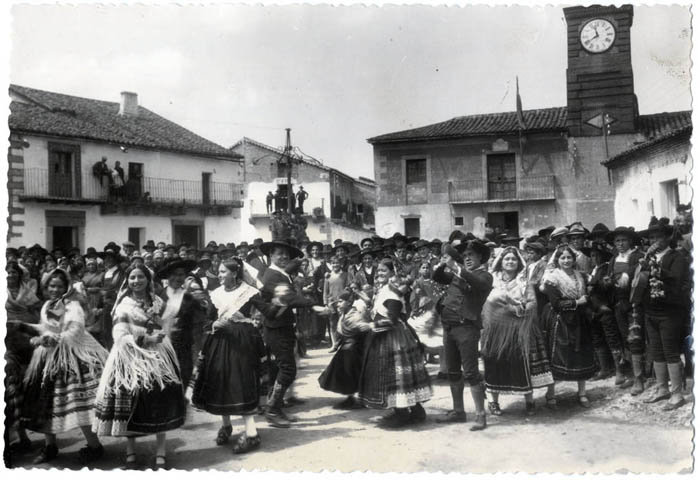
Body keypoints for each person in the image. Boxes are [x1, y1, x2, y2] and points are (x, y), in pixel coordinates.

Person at [93, 265, 186, 470]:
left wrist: (163, 329)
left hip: (158, 356)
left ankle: (160, 451)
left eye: (140, 277)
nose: (136, 281)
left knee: (160, 401)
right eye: (132, 277)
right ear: (127, 281)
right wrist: (146, 338)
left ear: (148, 279)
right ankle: (131, 451)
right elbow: (119, 335)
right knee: (131, 402)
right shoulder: (123, 305)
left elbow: (166, 323)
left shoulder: (157, 302)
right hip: (131, 357)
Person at [21, 269, 108, 465]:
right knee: (47, 404)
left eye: (60, 286)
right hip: (48, 358)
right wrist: (28, 330)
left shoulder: (72, 305)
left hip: (71, 358)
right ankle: (50, 446)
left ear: (66, 287)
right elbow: (45, 327)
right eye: (52, 285)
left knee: (79, 405)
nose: (55, 289)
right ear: (46, 287)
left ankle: (94, 446)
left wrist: (53, 339)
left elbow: (76, 330)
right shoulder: (46, 305)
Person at [192, 259, 266, 453]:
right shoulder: (215, 294)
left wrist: (250, 322)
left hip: (243, 344)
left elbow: (265, 313)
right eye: (219, 272)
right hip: (219, 343)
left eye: (223, 272)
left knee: (242, 384)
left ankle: (251, 433)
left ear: (235, 273)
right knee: (221, 382)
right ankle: (226, 425)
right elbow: (208, 320)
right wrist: (214, 325)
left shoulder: (249, 292)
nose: (219, 275)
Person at [356, 259, 432, 428]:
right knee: (400, 376)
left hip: (393, 337)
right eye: (378, 271)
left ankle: (403, 414)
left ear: (392, 272)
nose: (379, 274)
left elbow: (392, 319)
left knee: (396, 374)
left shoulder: (392, 292)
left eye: (384, 271)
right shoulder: (384, 290)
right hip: (388, 336)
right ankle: (415, 411)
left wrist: (370, 325)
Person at [481, 246, 553, 416]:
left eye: (513, 259)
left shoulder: (523, 282)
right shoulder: (492, 281)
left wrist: (518, 309)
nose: (510, 262)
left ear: (519, 262)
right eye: (507, 259)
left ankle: (529, 401)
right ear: (501, 262)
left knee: (522, 362)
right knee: (494, 362)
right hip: (495, 329)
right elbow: (484, 303)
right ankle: (493, 402)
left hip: (519, 328)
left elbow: (532, 303)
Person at [432, 240, 493, 430]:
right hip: (449, 327)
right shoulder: (458, 274)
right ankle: (458, 411)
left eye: (471, 256)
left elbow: (474, 281)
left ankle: (481, 415)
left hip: (467, 328)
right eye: (464, 257)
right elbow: (437, 277)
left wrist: (456, 267)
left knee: (472, 373)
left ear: (480, 257)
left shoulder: (485, 276)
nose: (467, 259)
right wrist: (445, 261)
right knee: (453, 371)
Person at [255, 240, 315, 428]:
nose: (283, 257)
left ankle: (276, 406)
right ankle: (272, 409)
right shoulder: (271, 275)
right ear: (270, 255)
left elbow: (290, 270)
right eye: (279, 253)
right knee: (288, 369)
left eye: (286, 255)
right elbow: (290, 298)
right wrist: (314, 305)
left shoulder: (281, 273)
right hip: (276, 328)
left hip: (284, 326)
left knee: (282, 368)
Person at [638, 217, 690, 410]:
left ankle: (677, 394)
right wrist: (645, 264)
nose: (654, 241)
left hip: (669, 311)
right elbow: (638, 282)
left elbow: (676, 280)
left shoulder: (677, 257)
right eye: (651, 238)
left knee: (670, 352)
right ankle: (662, 389)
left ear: (668, 238)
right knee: (656, 351)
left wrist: (656, 267)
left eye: (658, 237)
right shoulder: (648, 258)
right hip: (651, 310)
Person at [540, 245, 597, 408]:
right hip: (561, 320)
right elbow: (556, 303)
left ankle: (582, 393)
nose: (566, 261)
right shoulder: (552, 277)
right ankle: (550, 394)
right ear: (557, 260)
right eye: (562, 258)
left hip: (579, 319)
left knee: (581, 354)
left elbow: (589, 293)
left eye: (569, 257)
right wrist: (577, 302)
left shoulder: (580, 276)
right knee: (558, 355)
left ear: (574, 259)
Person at [4, 262, 42, 465]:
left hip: (27, 342)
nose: (10, 275)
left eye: (14, 272)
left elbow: (38, 313)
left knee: (29, 388)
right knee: (12, 388)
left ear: (20, 275)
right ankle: (14, 438)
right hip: (7, 344)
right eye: (8, 272)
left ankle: (24, 435)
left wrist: (32, 328)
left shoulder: (27, 292)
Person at [157, 258, 209, 390]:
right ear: (167, 276)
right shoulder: (158, 296)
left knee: (181, 382)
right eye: (173, 274)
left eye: (181, 274)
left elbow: (200, 323)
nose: (177, 278)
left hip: (183, 350)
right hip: (160, 348)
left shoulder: (189, 298)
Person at [318, 290, 372, 409]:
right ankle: (350, 398)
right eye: (338, 302)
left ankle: (356, 400)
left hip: (354, 350)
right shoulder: (344, 314)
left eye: (341, 302)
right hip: (347, 348)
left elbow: (365, 329)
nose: (338, 304)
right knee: (344, 373)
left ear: (349, 302)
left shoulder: (355, 316)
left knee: (351, 374)